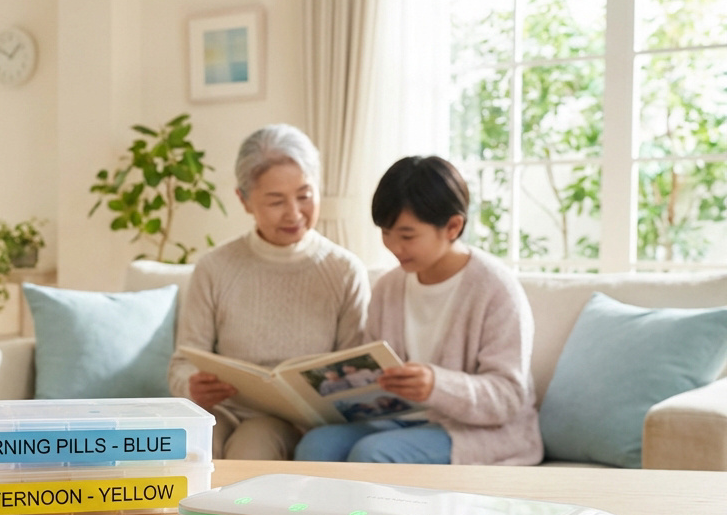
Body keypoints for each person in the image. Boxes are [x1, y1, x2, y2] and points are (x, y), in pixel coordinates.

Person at [294, 155, 542, 465]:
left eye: (407, 236)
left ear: (453, 226)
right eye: (386, 233)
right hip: (401, 421)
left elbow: (508, 397)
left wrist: (437, 385)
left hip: (479, 431)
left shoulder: (496, 290)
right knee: (316, 445)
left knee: (372, 454)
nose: (394, 247)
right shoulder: (388, 287)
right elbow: (373, 375)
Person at [168, 124, 369, 459]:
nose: (294, 214)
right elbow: (181, 364)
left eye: (305, 196)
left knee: (253, 444)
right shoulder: (214, 268)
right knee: (191, 449)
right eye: (276, 201)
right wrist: (192, 385)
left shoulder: (344, 272)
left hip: (292, 423)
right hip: (220, 411)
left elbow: (355, 376)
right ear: (244, 200)